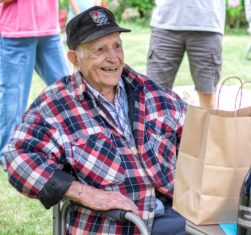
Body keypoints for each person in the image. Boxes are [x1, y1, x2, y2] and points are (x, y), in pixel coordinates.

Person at [5, 6, 188, 234]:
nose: (113, 57)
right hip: (115, 225)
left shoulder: (150, 93)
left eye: (117, 46)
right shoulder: (55, 106)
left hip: (175, 215)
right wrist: (85, 193)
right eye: (100, 49)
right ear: (75, 59)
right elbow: (17, 157)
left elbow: (199, 138)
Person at [0, 0, 70, 169]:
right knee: (13, 98)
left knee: (69, 90)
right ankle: (7, 154)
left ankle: (76, 144)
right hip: (16, 32)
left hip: (49, 29)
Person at [147, 0, 226, 109]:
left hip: (207, 23)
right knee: (155, 94)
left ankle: (208, 126)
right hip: (166, 22)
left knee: (207, 93)